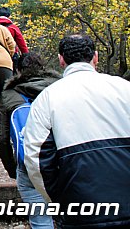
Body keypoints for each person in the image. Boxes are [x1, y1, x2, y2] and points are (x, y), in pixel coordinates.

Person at [24, 34, 130, 228]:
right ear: (95, 57)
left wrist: (58, 200)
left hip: (79, 208)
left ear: (61, 59)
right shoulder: (125, 88)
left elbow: (36, 160)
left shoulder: (46, 99)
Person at [0, 53, 59, 229]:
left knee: (40, 220)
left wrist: (12, 168)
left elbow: (2, 137)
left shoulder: (9, 94)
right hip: (61, 159)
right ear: (44, 68)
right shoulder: (60, 88)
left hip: (30, 162)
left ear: (17, 70)